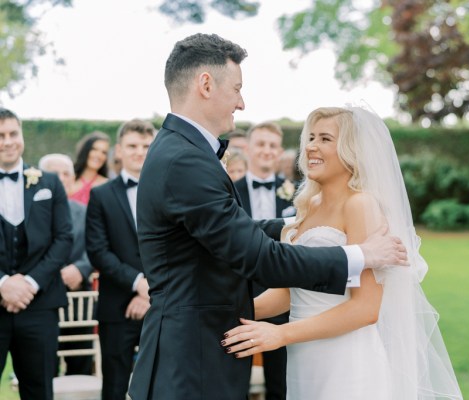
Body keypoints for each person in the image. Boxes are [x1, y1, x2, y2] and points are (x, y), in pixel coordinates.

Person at [128, 33, 408, 400]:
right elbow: (256, 256)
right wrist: (362, 254)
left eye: (325, 139)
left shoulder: (178, 150)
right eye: (237, 88)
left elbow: (227, 234)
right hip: (191, 362)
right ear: (206, 84)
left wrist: (299, 228)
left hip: (331, 364)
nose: (241, 102)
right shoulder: (185, 159)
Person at [223, 106, 464, 399]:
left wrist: (281, 334)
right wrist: (230, 310)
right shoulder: (308, 206)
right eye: (310, 137)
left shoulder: (361, 205)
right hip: (305, 358)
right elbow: (290, 292)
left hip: (346, 360)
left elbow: (366, 309)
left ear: (351, 151)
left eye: (325, 138)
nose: (311, 146)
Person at [0, 108, 72, 400]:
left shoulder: (49, 183)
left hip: (40, 304)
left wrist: (29, 284)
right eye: (0, 136)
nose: (7, 141)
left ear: (21, 135)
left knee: (39, 389)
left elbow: (64, 238)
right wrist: (3, 284)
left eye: (12, 133)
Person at [86, 119, 155, 400]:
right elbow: (97, 251)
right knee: (114, 386)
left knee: (162, 384)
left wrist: (152, 293)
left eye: (146, 146)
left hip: (163, 305)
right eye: (132, 146)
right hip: (117, 307)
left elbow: (179, 247)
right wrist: (138, 283)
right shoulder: (101, 195)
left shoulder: (170, 190)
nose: (140, 151)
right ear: (119, 150)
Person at [234, 121, 293, 400]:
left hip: (285, 293)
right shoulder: (228, 190)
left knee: (280, 383)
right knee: (233, 380)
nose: (267, 151)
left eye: (272, 145)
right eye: (261, 144)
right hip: (239, 291)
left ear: (280, 151)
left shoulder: (297, 193)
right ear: (248, 148)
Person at [38, 153, 94, 376]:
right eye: (54, 173)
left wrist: (81, 268)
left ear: (73, 179)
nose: (60, 178)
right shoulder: (31, 212)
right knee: (43, 366)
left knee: (80, 364)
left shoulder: (87, 211)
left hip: (79, 301)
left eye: (66, 173)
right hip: (41, 300)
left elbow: (98, 247)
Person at [70, 131, 110, 205]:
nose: (98, 155)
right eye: (94, 149)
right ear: (86, 150)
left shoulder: (107, 185)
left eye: (104, 152)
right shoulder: (68, 179)